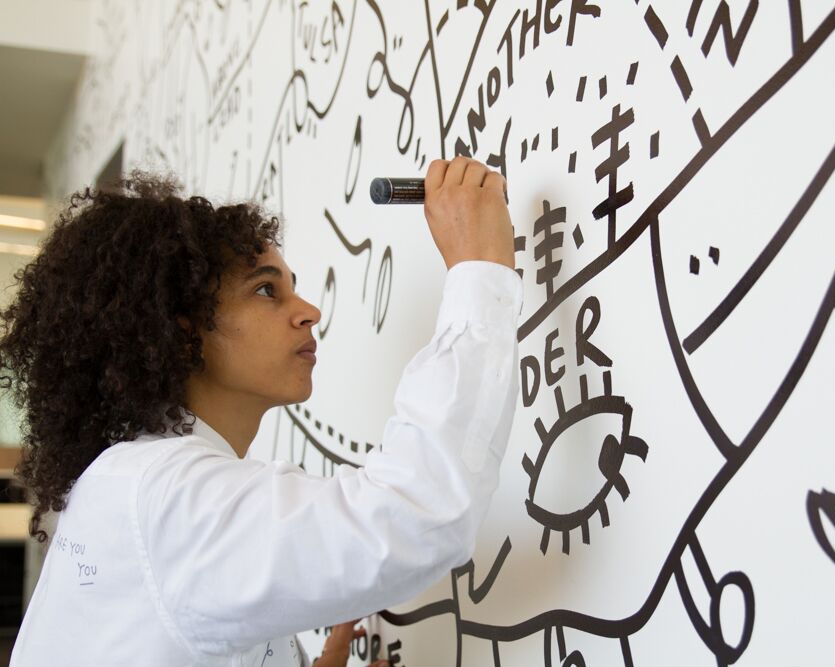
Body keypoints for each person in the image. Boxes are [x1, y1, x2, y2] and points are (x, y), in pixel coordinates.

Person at [1, 157, 521, 665]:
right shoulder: (166, 495)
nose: (309, 312)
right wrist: (480, 270)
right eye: (267, 289)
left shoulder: (134, 483)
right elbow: (413, 517)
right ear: (183, 334)